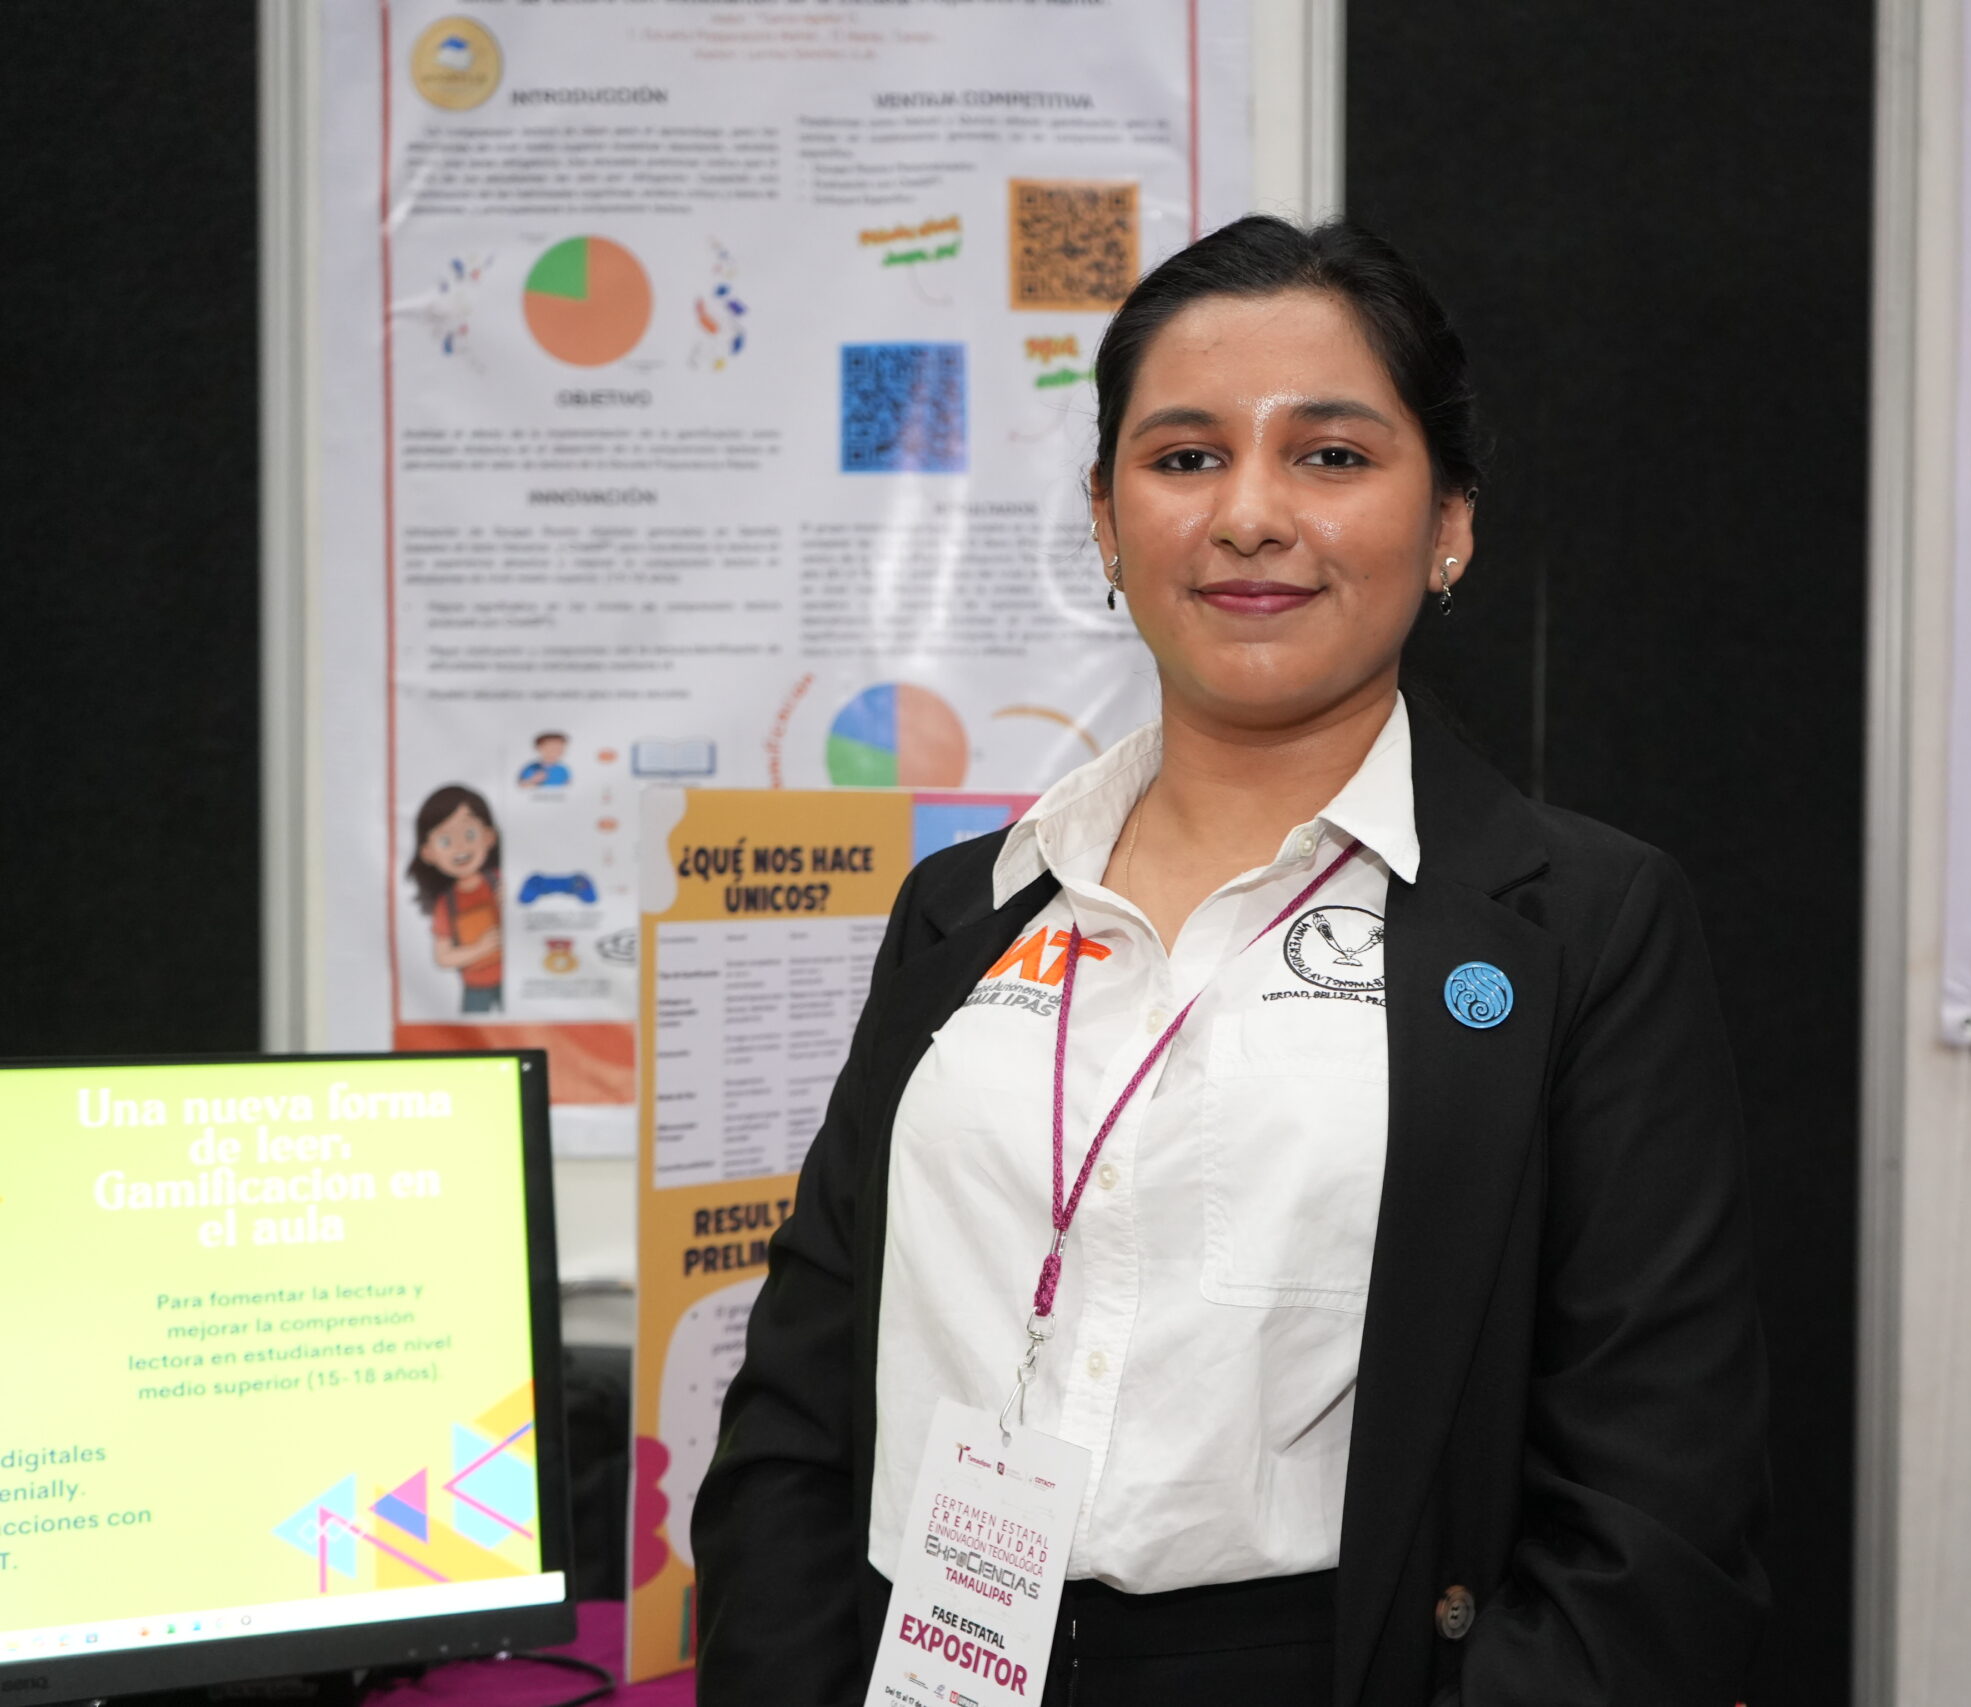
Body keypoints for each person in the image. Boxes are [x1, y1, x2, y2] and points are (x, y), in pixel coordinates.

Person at [695, 216, 1768, 1705]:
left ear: (1450, 520)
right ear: (1105, 516)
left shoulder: (1582, 926)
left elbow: (1653, 1511)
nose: (1250, 514)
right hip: (923, 1656)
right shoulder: (967, 906)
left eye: (1330, 455)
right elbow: (801, 1405)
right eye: (1186, 456)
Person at [406, 784, 504, 1013]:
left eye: (469, 834)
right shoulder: (445, 905)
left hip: (514, 979)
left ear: (489, 836)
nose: (460, 847)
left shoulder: (502, 881)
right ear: (428, 853)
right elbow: (443, 957)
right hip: (476, 988)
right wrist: (480, 948)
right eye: (445, 841)